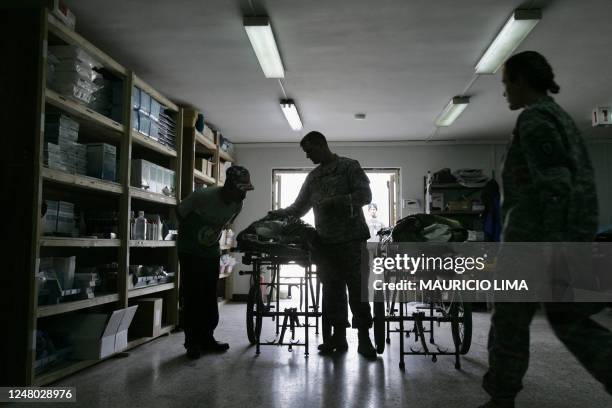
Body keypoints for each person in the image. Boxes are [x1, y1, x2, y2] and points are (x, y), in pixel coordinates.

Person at [479, 51, 612, 408]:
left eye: (507, 83)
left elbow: (556, 187)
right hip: (559, 239)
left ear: (522, 80)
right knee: (571, 321)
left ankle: (501, 397)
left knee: (509, 320)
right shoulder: (560, 117)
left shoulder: (536, 119)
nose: (505, 92)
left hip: (536, 244)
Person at [270, 131, 377, 358]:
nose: (308, 156)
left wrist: (337, 202)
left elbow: (365, 195)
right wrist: (277, 214)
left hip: (352, 240)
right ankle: (338, 338)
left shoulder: (349, 167)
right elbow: (298, 208)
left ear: (321, 145)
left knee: (358, 291)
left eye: (310, 151)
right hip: (325, 244)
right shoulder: (313, 178)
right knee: (332, 293)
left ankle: (364, 338)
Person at [177, 166, 254, 359]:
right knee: (193, 296)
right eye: (241, 189)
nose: (244, 194)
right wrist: (192, 233)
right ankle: (192, 342)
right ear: (229, 186)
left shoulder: (238, 204)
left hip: (211, 252)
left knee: (210, 296)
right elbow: (178, 212)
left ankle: (207, 338)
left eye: (246, 189)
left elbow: (224, 224)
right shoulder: (203, 196)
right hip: (190, 252)